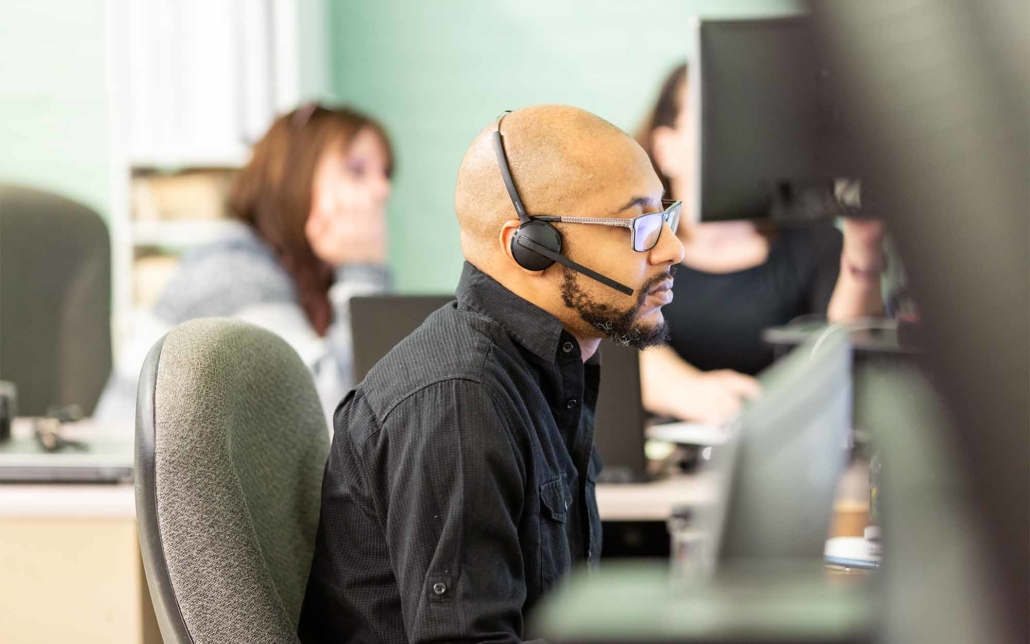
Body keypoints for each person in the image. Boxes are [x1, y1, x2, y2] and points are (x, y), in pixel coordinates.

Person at [298, 105, 685, 643]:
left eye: (666, 215)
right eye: (638, 226)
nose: (672, 247)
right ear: (530, 248)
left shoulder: (548, 373)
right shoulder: (460, 402)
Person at [94, 103, 394, 424]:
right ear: (295, 177)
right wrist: (363, 270)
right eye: (357, 169)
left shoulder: (310, 279)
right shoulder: (232, 272)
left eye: (385, 173)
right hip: (132, 472)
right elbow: (337, 424)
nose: (382, 189)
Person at [636, 64, 887, 424]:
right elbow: (611, 339)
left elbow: (846, 352)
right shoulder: (638, 242)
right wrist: (688, 391)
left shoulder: (814, 242)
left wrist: (864, 247)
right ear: (666, 148)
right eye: (714, 118)